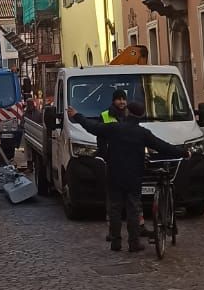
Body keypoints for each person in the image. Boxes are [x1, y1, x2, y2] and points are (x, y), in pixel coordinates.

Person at [68, 87, 179, 253]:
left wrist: (77, 115)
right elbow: (163, 146)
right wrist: (185, 152)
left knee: (115, 208)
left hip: (115, 172)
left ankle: (115, 242)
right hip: (134, 175)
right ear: (140, 116)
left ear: (128, 111)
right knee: (134, 208)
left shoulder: (114, 129)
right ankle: (134, 243)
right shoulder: (142, 133)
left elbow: (92, 127)